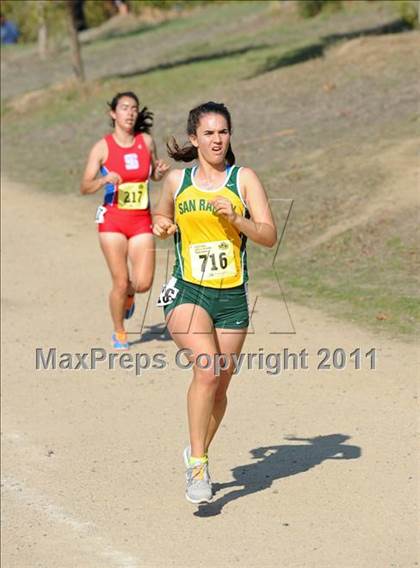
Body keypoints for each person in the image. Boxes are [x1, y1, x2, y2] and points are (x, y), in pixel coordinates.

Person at [153, 102, 277, 504]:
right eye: (208, 133)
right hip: (188, 290)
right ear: (194, 139)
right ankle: (199, 466)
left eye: (222, 132)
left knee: (220, 388)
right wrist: (162, 224)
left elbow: (268, 235)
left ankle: (195, 449)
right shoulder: (177, 180)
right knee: (206, 371)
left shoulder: (244, 179)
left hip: (232, 297)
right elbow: (161, 214)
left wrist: (237, 219)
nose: (217, 139)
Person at [81, 91, 169, 349]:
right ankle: (119, 330)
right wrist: (102, 180)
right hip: (113, 221)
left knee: (142, 283)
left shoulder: (146, 141)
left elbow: (151, 173)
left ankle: (129, 296)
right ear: (113, 113)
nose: (130, 112)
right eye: (124, 108)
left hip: (141, 219)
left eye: (134, 108)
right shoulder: (103, 147)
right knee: (120, 281)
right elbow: (84, 186)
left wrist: (158, 173)